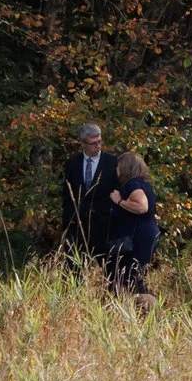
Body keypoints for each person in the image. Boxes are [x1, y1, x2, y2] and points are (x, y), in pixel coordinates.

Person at [60, 122, 118, 266]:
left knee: (110, 269)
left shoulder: (113, 162)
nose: (98, 146)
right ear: (82, 143)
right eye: (93, 143)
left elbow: (116, 192)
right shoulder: (72, 163)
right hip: (77, 226)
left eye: (99, 141)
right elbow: (67, 194)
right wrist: (69, 217)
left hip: (104, 226)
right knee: (74, 268)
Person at [107, 150, 160, 300]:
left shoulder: (133, 184)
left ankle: (152, 312)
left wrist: (119, 201)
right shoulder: (142, 183)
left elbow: (142, 206)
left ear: (125, 167)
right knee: (131, 277)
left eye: (118, 166)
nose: (116, 170)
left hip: (137, 238)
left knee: (132, 278)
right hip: (143, 235)